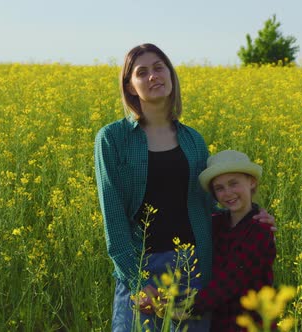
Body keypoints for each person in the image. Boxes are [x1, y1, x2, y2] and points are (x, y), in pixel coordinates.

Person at [94, 43, 275, 332]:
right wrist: (139, 281)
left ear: (171, 75)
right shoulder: (112, 139)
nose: (153, 76)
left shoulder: (194, 140)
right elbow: (113, 220)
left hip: (192, 266)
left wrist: (251, 216)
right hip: (140, 267)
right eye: (142, 72)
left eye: (159, 68)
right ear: (130, 86)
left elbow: (207, 206)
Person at [190, 149, 276, 331]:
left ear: (252, 182)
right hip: (219, 320)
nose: (227, 193)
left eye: (233, 183)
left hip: (251, 322)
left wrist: (190, 307)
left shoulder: (261, 229)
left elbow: (233, 278)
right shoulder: (216, 223)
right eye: (219, 188)